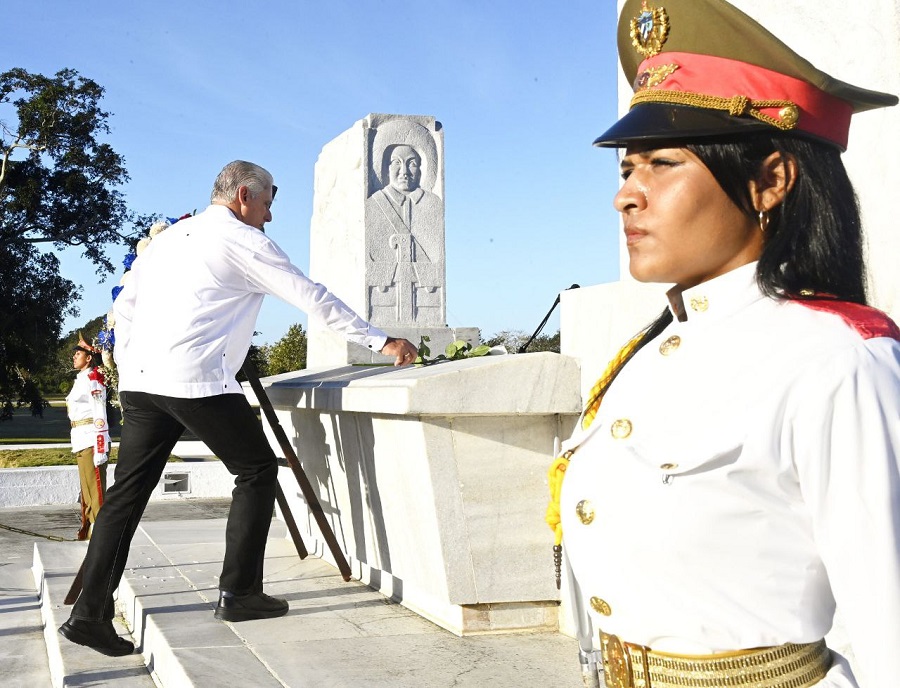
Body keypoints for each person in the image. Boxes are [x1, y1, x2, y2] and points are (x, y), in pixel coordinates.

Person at [545, 1, 899, 686]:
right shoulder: (649, 354)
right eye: (626, 169)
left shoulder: (837, 362)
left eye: (663, 164)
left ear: (769, 179)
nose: (627, 196)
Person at [59, 160, 419, 657]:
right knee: (256, 471)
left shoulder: (170, 238)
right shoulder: (243, 241)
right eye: (269, 202)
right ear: (245, 194)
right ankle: (240, 592)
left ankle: (88, 615)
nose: (270, 216)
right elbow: (311, 297)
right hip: (195, 381)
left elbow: (124, 308)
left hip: (142, 383)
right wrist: (381, 341)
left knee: (125, 498)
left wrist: (132, 365)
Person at [65, 334, 110, 541]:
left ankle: (101, 533)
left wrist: (100, 446)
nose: (74, 357)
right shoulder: (81, 378)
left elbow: (99, 411)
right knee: (87, 488)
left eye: (78, 353)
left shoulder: (94, 378)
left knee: (96, 488)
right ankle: (92, 526)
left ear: (89, 358)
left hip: (92, 439)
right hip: (81, 438)